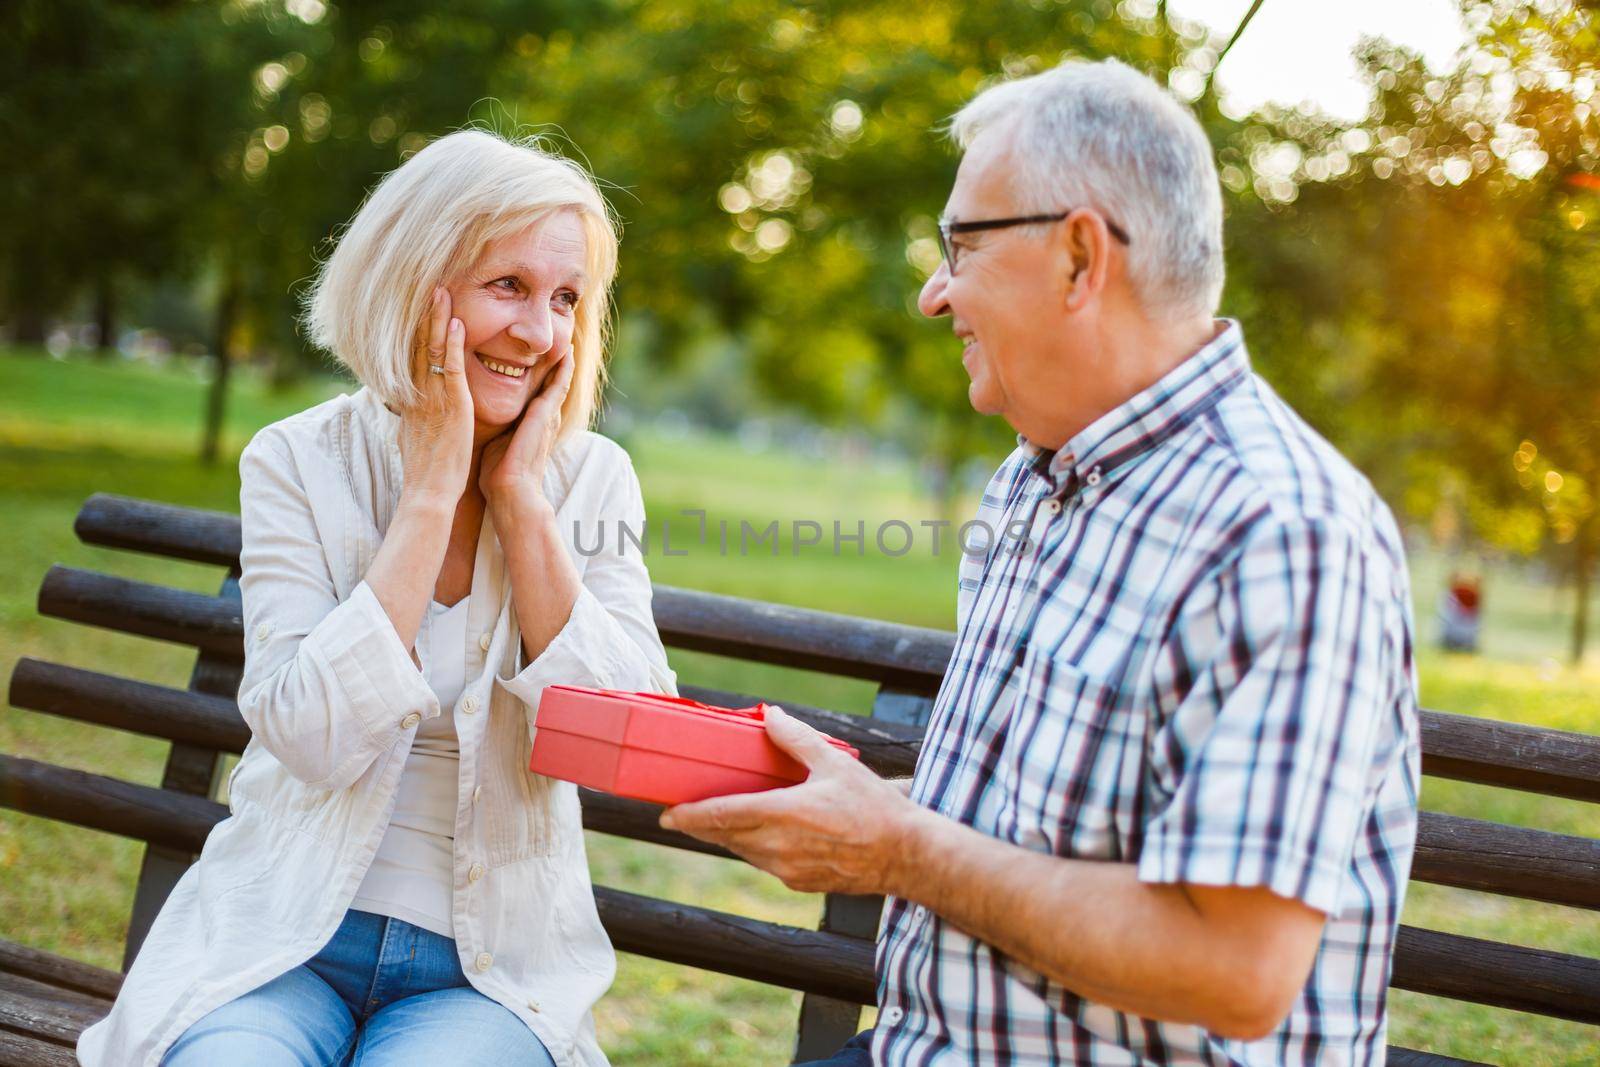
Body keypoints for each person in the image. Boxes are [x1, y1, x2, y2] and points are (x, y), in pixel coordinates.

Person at [663, 58, 1420, 1065]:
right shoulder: (1035, 473)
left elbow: (1230, 970)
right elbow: (1015, 832)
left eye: (959, 246)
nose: (935, 294)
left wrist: (897, 846)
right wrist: (862, 809)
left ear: (1077, 258)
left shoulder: (1283, 531)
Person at [77, 129, 677, 1067]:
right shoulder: (298, 459)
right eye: (507, 287)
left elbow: (631, 741)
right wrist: (432, 496)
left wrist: (522, 505)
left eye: (565, 298)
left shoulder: (592, 480)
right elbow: (308, 734)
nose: (539, 332)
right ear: (413, 280)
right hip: (278, 945)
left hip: (488, 978)